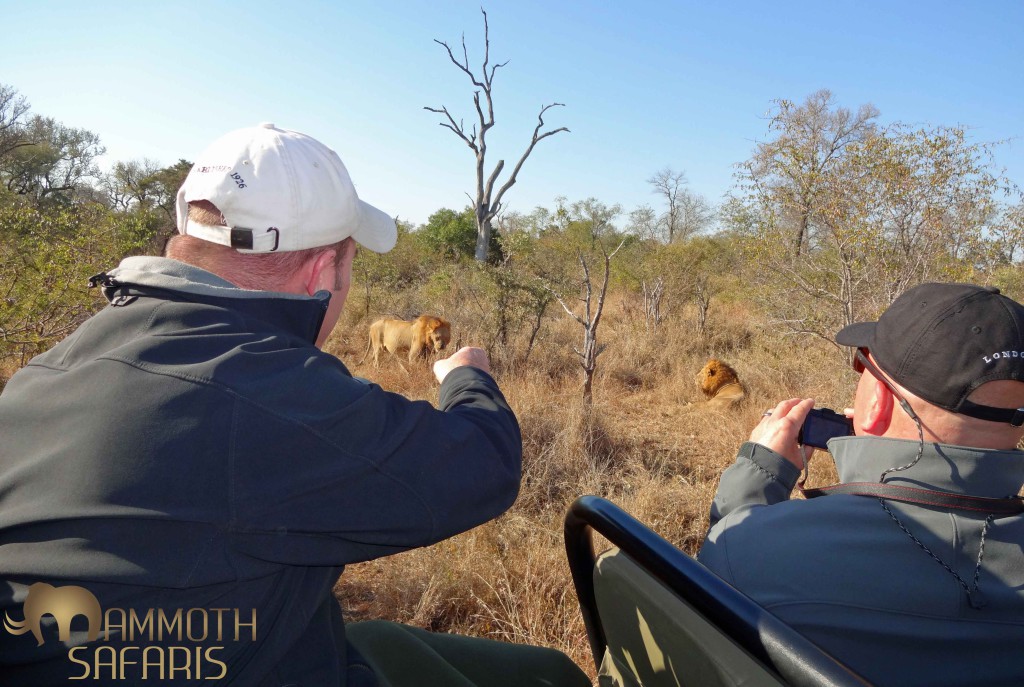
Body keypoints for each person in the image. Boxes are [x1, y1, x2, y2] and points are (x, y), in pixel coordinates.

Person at [0, 123, 590, 686]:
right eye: (350, 264)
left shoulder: (41, 373)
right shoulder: (269, 391)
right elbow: (482, 463)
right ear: (323, 270)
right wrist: (466, 378)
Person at [698, 282, 1024, 687]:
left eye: (863, 364)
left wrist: (756, 475)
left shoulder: (751, 550)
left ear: (877, 402)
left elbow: (712, 602)